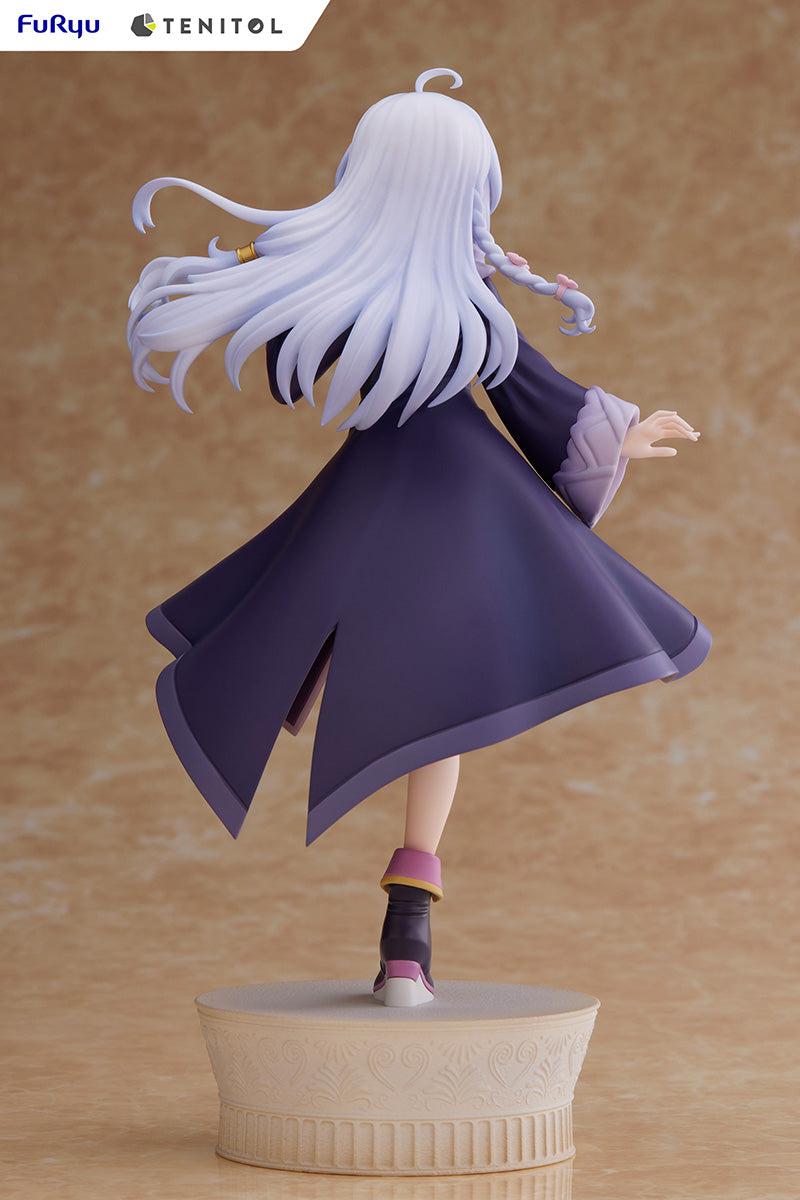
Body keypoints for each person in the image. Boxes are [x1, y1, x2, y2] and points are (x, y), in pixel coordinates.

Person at [128, 68, 710, 1006]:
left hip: (385, 499)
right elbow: (531, 393)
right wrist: (618, 436)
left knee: (403, 680)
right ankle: (410, 924)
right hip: (463, 500)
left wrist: (273, 264)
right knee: (432, 697)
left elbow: (504, 380)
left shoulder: (394, 291)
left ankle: (409, 933)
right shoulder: (444, 302)